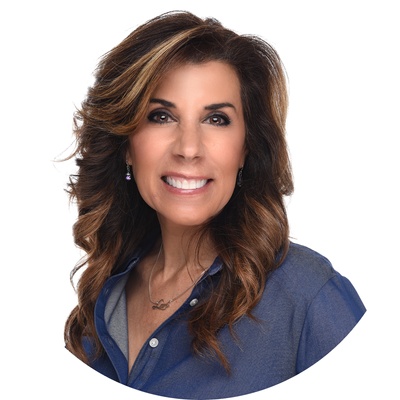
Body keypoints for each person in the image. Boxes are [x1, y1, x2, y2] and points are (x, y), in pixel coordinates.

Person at [64, 11, 366, 399]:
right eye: (161, 116)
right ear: (126, 145)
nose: (189, 148)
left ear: (246, 148)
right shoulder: (102, 298)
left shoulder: (308, 297)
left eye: (217, 119)